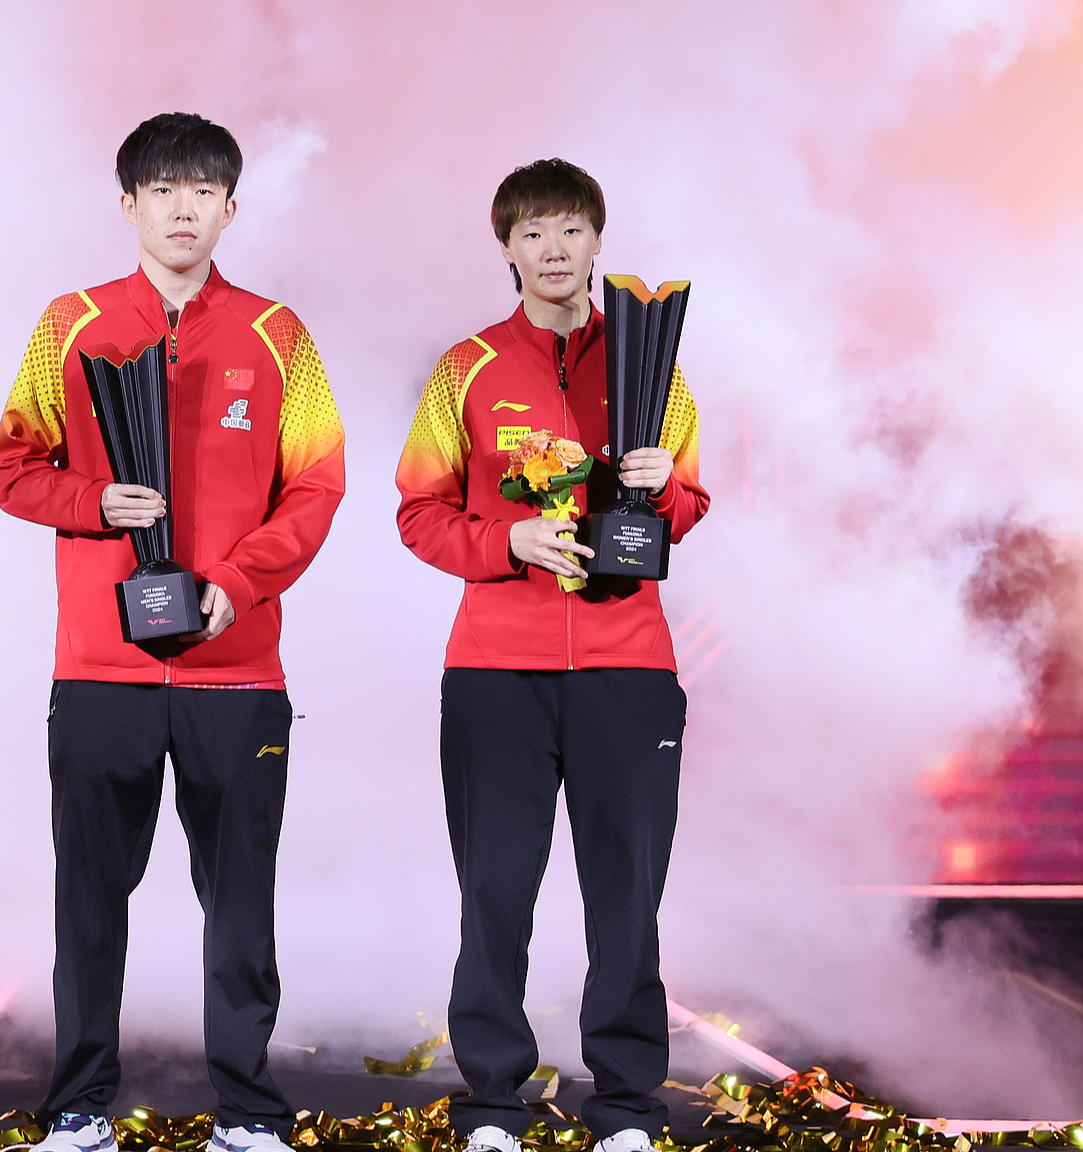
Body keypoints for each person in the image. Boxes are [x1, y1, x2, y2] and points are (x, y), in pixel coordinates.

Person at [0, 111, 346, 1152]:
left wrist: (237, 582)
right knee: (89, 902)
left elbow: (316, 484)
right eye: (161, 190)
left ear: (231, 208)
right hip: (98, 670)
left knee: (239, 909)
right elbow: (14, 466)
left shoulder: (278, 334)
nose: (181, 208)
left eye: (202, 191)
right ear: (128, 206)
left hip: (235, 675)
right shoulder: (71, 323)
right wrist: (100, 503)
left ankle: (246, 1112)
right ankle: (78, 1110)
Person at [393, 158, 710, 1152]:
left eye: (569, 230)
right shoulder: (466, 368)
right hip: (496, 670)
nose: (552, 250)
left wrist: (660, 488)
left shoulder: (654, 365)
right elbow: (417, 510)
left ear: (596, 240)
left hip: (628, 669)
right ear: (505, 250)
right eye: (531, 233)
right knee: (494, 891)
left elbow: (688, 505)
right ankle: (492, 1104)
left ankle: (623, 1107)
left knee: (626, 899)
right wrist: (507, 544)